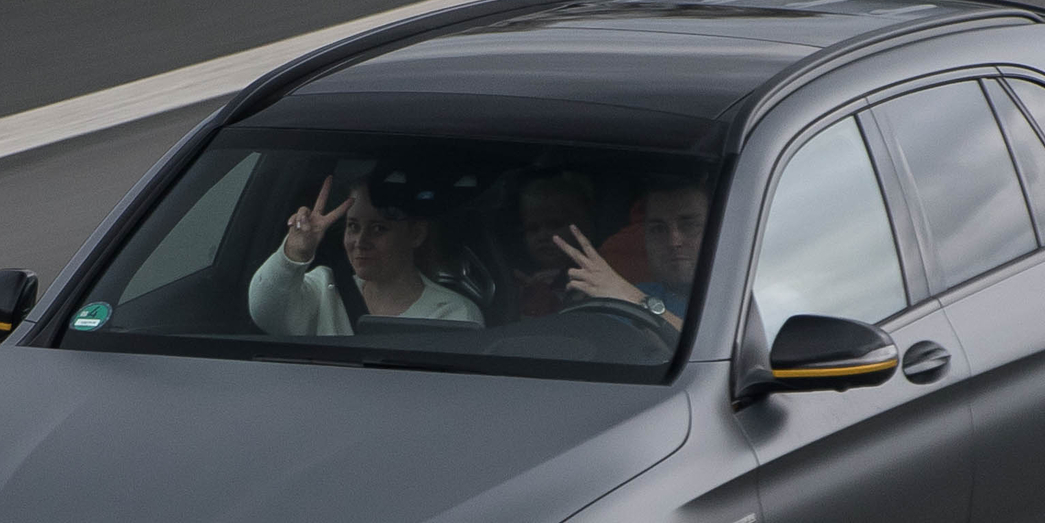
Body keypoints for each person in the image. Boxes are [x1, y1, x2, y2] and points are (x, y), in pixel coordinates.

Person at [249, 168, 484, 336]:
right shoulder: (323, 288)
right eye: (353, 226)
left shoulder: (453, 315)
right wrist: (295, 253)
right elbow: (265, 310)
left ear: (415, 234)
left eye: (378, 229)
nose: (361, 241)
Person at [553, 177, 709, 328]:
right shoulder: (629, 294)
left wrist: (634, 299)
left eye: (689, 225)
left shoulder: (731, 301)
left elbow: (709, 347)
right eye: (658, 229)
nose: (674, 241)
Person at [506, 170, 599, 319]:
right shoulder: (513, 282)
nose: (543, 236)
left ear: (582, 228)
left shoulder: (593, 280)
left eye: (555, 225)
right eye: (533, 228)